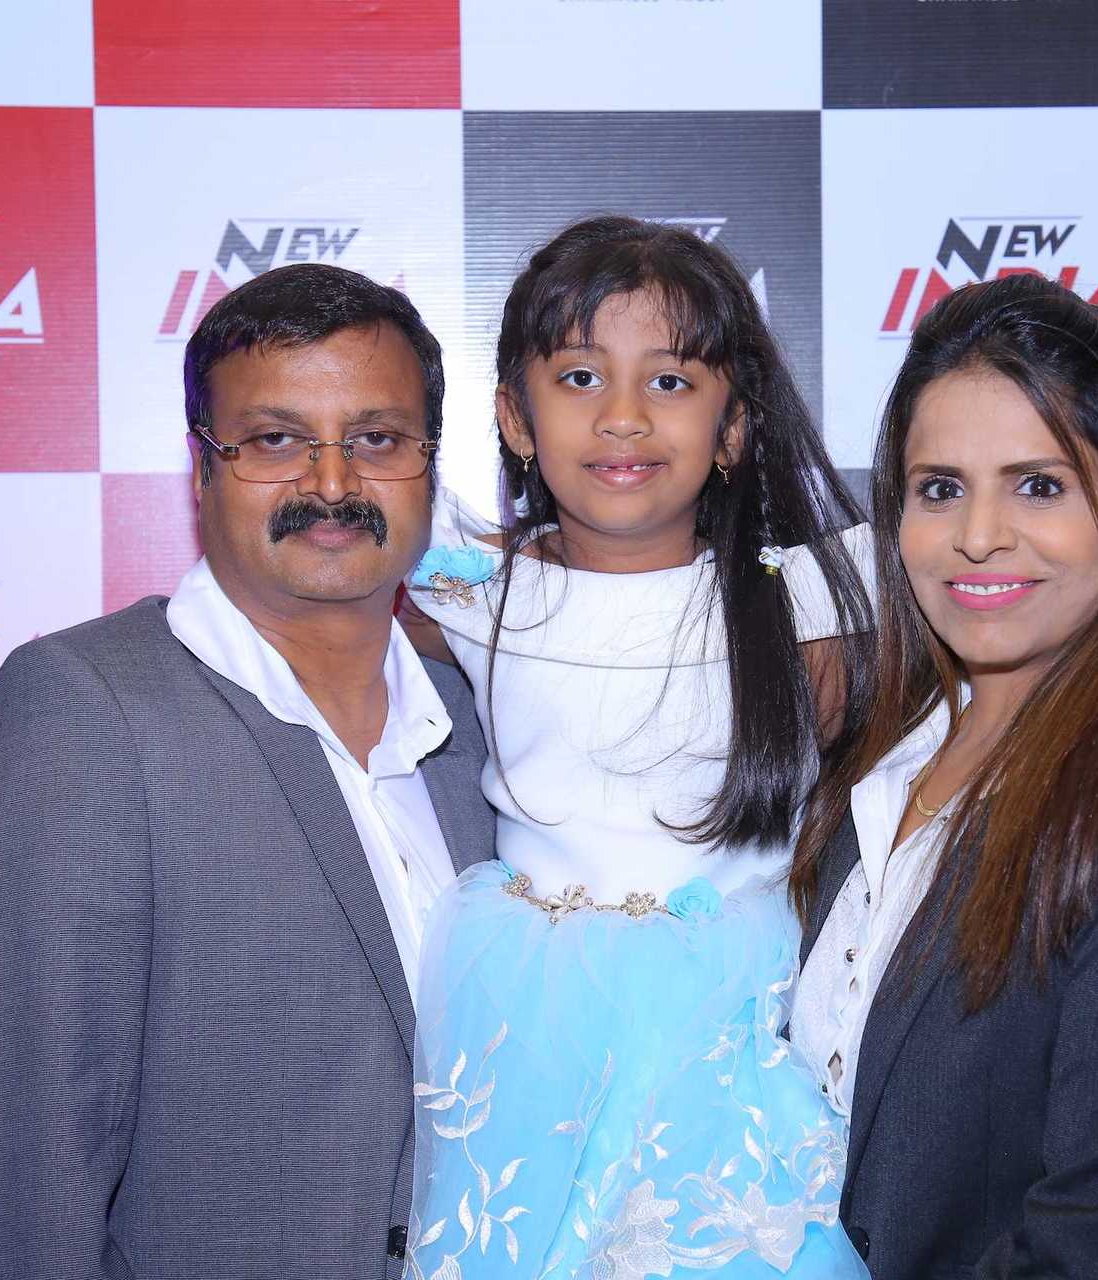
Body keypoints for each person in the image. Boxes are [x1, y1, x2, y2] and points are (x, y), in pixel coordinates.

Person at [0, 264, 495, 1279]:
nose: (332, 484)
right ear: (201, 469)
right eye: (275, 440)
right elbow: (33, 1161)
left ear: (429, 464)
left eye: (376, 439)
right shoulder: (87, 707)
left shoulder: (480, 722)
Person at [788, 274, 1098, 1278]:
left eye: (1039, 483)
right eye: (940, 487)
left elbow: (1097, 1247)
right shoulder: (872, 769)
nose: (979, 533)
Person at [396, 216, 873, 1278]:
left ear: (734, 425)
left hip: (730, 1028)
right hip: (528, 1024)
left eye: (669, 382)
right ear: (514, 419)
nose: (621, 417)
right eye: (577, 378)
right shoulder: (470, 593)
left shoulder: (802, 611)